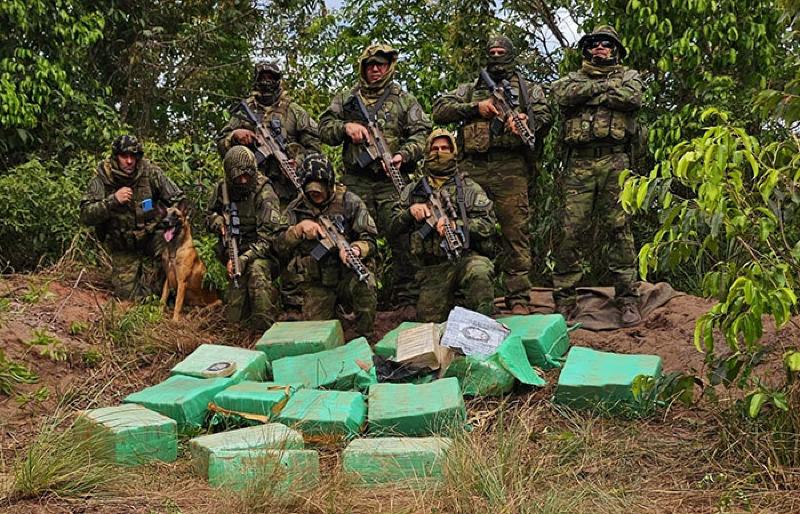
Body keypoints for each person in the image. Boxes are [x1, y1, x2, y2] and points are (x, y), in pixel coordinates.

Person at [432, 35, 552, 315]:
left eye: (502, 51)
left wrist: (524, 119)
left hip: (510, 169)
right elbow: (440, 110)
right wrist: (477, 108)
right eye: (492, 52)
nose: (497, 56)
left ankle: (519, 296)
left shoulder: (527, 89)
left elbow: (546, 114)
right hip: (472, 169)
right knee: (464, 226)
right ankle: (471, 292)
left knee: (516, 231)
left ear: (511, 54)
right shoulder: (471, 89)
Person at [319, 44, 431, 315]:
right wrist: (346, 127)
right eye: (370, 65)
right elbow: (323, 127)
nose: (375, 70)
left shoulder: (403, 99)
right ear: (363, 68)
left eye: (380, 64)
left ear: (389, 66)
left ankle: (405, 298)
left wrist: (403, 155)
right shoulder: (346, 99)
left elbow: (422, 133)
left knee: (402, 235)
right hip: (356, 180)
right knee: (351, 236)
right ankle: (356, 299)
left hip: (391, 180)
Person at [550, 25, 644, 325]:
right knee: (570, 231)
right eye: (594, 44)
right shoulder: (573, 79)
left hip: (615, 162)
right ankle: (565, 298)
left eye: (606, 43)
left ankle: (628, 299)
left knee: (619, 230)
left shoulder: (628, 76)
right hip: (579, 164)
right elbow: (564, 96)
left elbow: (632, 98)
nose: (600, 47)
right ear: (587, 49)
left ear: (615, 49)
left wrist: (590, 93)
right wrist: (603, 90)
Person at [390, 129, 497, 322]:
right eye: (435, 149)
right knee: (430, 321)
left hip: (465, 259)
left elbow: (488, 224)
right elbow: (391, 227)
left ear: (454, 152)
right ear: (427, 153)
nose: (440, 153)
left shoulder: (469, 189)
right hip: (433, 268)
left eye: (445, 148)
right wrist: (410, 212)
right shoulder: (412, 191)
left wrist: (456, 225)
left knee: (479, 273)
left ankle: (484, 327)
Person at [276, 154, 379, 339]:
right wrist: (297, 231)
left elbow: (370, 239)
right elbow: (277, 247)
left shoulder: (350, 201)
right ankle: (337, 314)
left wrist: (355, 249)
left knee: (366, 282)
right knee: (316, 336)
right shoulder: (296, 208)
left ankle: (366, 336)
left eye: (320, 188)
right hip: (317, 283)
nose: (315, 193)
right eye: (310, 189)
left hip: (347, 277)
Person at [80, 135, 184, 299]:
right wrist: (112, 201)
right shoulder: (103, 178)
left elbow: (179, 199)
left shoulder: (150, 172)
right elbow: (86, 215)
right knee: (127, 295)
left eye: (133, 157)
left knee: (176, 255)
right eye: (124, 156)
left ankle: (168, 289)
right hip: (123, 244)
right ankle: (148, 292)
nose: (129, 161)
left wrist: (169, 221)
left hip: (151, 236)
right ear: (116, 157)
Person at [216, 60, 321, 206]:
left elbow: (315, 149)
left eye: (271, 78)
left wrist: (298, 163)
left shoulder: (294, 111)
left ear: (278, 81)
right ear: (256, 81)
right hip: (250, 190)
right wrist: (233, 137)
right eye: (263, 78)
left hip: (287, 193)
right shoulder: (245, 111)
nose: (266, 82)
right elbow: (221, 146)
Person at [206, 146, 283, 331]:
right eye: (238, 178)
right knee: (235, 321)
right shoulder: (222, 189)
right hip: (236, 252)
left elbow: (269, 240)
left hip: (264, 254)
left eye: (246, 176)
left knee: (256, 272)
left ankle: (266, 330)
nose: (242, 181)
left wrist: (243, 259)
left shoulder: (264, 193)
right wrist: (217, 221)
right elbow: (208, 215)